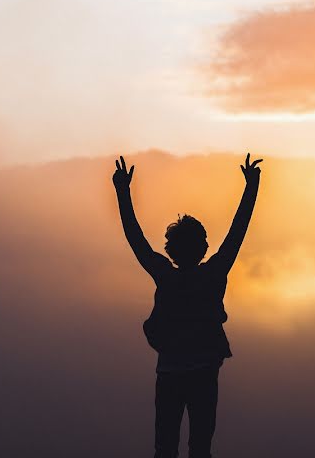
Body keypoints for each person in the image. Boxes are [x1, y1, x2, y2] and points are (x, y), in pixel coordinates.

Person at [112, 153, 263, 458]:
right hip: (204, 371)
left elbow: (136, 240)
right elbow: (237, 233)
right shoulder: (214, 273)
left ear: (171, 250)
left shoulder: (165, 276)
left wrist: (122, 192)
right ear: (203, 247)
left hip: (170, 371)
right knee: (200, 447)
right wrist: (251, 188)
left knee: (165, 447)